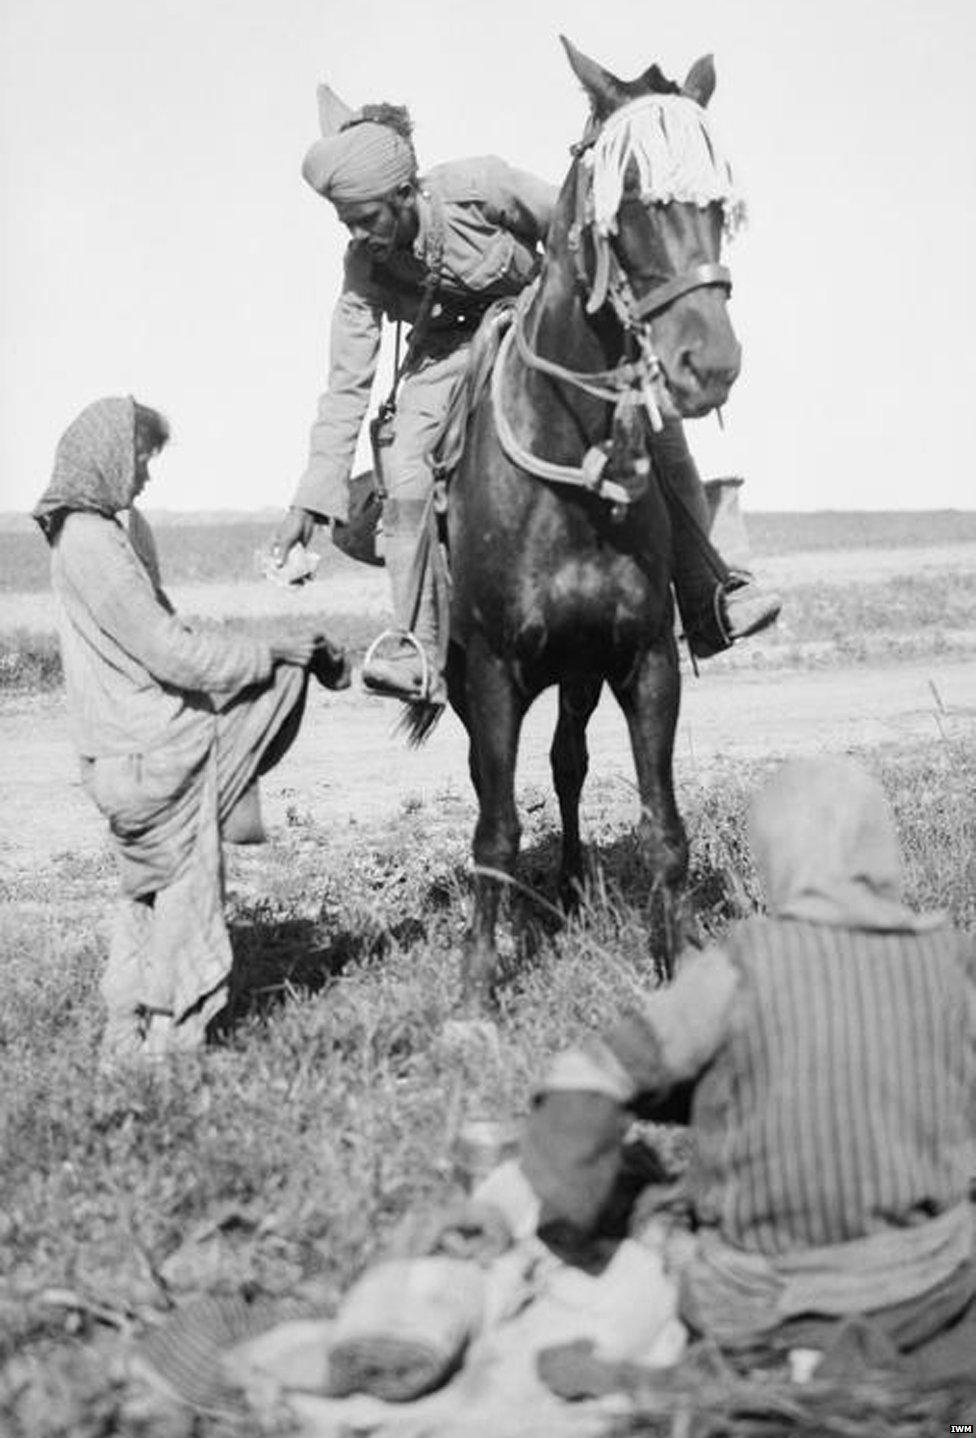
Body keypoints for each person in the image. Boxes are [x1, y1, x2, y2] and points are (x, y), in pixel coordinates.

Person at [271, 96, 780, 702]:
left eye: (367, 218)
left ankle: (709, 595)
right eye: (347, 223)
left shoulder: (481, 187)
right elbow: (346, 383)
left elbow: (570, 232)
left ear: (406, 192)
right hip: (446, 358)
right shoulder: (363, 267)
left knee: (653, 414)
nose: (358, 236)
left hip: (538, 319)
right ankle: (417, 647)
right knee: (405, 460)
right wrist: (313, 497)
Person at [510, 757, 976, 1374]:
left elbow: (583, 1084)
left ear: (775, 858)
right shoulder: (951, 960)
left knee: (646, 1197)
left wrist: (592, 1233)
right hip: (926, 1293)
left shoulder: (741, 966)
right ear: (881, 849)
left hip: (757, 1307)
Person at [33, 396, 349, 1066]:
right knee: (185, 888)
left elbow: (172, 628)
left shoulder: (100, 533)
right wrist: (269, 655)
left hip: (126, 750)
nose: (146, 474)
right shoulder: (92, 541)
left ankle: (126, 1034)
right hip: (146, 751)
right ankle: (175, 1044)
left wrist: (271, 646)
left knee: (146, 889)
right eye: (143, 457)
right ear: (112, 454)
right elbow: (168, 650)